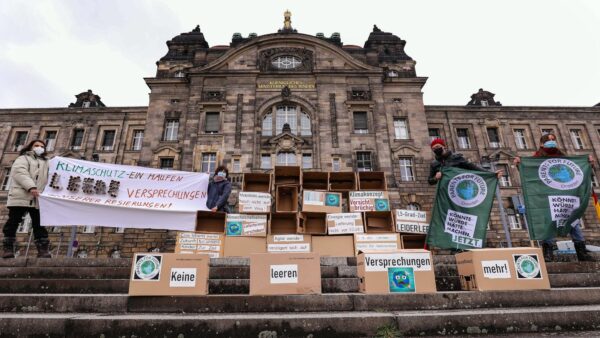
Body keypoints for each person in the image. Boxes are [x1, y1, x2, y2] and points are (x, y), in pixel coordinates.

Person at [514, 133, 594, 262]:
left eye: (553, 140)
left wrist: (589, 163)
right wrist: (519, 165)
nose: (551, 142)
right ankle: (548, 254)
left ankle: (582, 253)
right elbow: (529, 173)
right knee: (549, 225)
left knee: (574, 223)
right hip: (547, 199)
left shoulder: (563, 157)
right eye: (548, 140)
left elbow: (578, 171)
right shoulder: (536, 158)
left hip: (565, 197)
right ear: (541, 144)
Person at [2, 140, 51, 258]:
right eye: (36, 146)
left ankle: (42, 250)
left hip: (38, 197)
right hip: (21, 195)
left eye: (42, 146)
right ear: (30, 147)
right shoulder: (23, 158)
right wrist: (31, 187)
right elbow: (20, 173)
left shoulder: (47, 162)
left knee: (39, 224)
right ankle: (8, 248)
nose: (39, 148)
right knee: (13, 222)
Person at [428, 138, 502, 185]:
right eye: (433, 149)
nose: (435, 149)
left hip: (460, 186)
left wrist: (491, 174)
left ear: (443, 146)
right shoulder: (434, 163)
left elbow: (474, 168)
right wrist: (435, 178)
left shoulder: (456, 158)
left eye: (437, 147)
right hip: (445, 190)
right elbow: (430, 181)